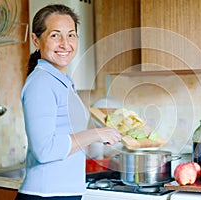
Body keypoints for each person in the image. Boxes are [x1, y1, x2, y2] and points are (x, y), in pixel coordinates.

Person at [15, 4, 121, 200]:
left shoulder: (61, 82)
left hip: (63, 193)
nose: (65, 43)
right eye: (55, 35)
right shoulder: (41, 83)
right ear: (36, 41)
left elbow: (66, 135)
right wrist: (95, 134)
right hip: (45, 195)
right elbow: (44, 151)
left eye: (71, 35)